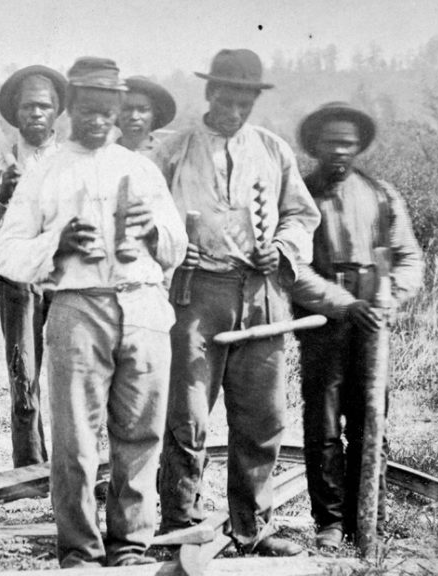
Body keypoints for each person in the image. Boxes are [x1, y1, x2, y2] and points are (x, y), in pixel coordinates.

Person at [0, 57, 186, 568]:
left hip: (143, 306)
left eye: (108, 112)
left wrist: (152, 233)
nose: (98, 121)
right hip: (78, 308)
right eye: (88, 110)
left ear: (119, 111)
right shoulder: (46, 171)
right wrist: (56, 244)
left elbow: (176, 248)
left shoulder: (141, 169)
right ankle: (78, 551)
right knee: (76, 441)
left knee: (141, 434)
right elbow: (5, 252)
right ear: (70, 108)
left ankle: (130, 547)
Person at [153, 49, 320, 557]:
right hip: (196, 291)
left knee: (262, 415)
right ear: (209, 93)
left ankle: (252, 527)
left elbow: (300, 215)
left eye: (244, 99)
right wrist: (175, 243)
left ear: (254, 100)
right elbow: (147, 216)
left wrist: (283, 249)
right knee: (187, 412)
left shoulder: (273, 150)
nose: (234, 108)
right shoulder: (174, 149)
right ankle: (181, 520)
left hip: (262, 293)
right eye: (226, 97)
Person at [291, 102, 424, 549]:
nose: (339, 151)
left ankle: (369, 515)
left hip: (374, 325)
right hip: (323, 322)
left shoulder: (382, 195)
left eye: (348, 143)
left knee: (371, 418)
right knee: (323, 422)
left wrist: (388, 299)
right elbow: (293, 269)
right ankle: (328, 522)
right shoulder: (300, 195)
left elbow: (408, 259)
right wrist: (343, 305)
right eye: (331, 142)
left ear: (358, 147)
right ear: (316, 146)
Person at [0, 64, 67, 468]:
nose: (36, 114)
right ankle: (28, 468)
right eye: (28, 107)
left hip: (66, 279)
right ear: (15, 113)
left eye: (44, 106)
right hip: (15, 280)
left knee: (72, 376)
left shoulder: (74, 161)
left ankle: (72, 467)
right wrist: (3, 195)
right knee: (24, 375)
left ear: (57, 111)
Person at [116, 76, 176, 154]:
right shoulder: (103, 154)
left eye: (143, 110)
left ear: (154, 115)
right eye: (127, 109)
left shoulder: (167, 155)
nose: (134, 116)